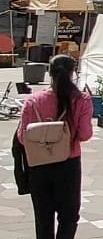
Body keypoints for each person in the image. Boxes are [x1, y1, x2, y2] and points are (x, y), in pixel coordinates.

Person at [17, 54, 93, 239]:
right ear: (73, 73)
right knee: (69, 217)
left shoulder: (33, 101)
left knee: (43, 218)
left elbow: (22, 137)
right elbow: (85, 134)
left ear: (49, 73)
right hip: (68, 163)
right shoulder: (81, 99)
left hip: (39, 164)